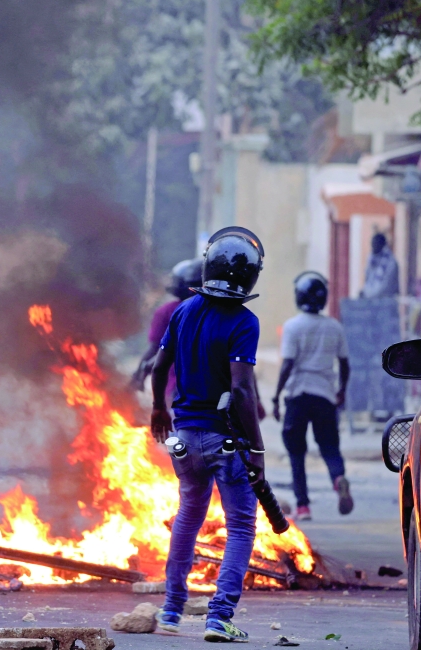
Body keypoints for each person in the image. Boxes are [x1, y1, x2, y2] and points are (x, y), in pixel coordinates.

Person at [150, 226, 266, 643]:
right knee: (240, 526)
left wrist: (158, 409)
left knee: (188, 519)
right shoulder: (244, 321)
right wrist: (257, 448)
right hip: (225, 441)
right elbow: (240, 389)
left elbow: (158, 368)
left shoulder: (182, 312)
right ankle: (219, 618)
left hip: (183, 437)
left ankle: (170, 611)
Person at [272, 272, 352, 521]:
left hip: (298, 395)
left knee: (297, 453)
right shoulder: (334, 327)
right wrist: (341, 391)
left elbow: (287, 364)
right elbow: (345, 364)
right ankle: (338, 478)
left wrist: (276, 396)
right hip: (325, 395)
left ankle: (303, 506)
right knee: (329, 446)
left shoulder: (293, 327)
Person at [130, 258, 203, 398]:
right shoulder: (221, 314)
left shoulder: (167, 311)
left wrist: (138, 376)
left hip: (177, 388)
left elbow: (154, 348)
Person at [360, 232, 399, 298]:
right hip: (372, 300)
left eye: (375, 244)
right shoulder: (372, 260)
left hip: (386, 301)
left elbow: (385, 287)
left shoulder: (390, 263)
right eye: (372, 244)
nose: (373, 247)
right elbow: (368, 280)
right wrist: (364, 292)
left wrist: (369, 294)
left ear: (382, 245)